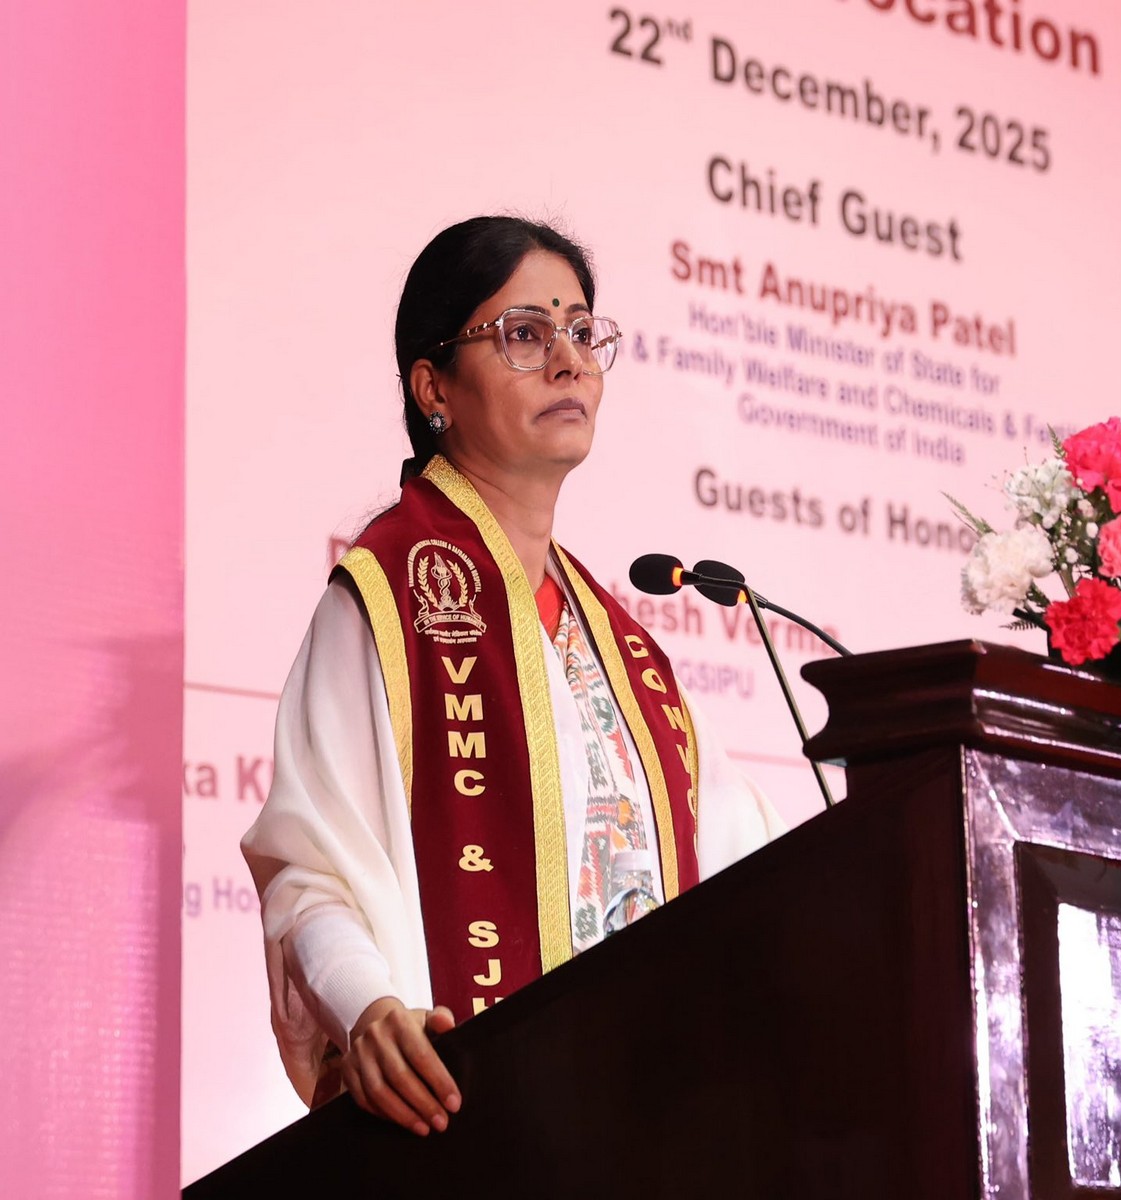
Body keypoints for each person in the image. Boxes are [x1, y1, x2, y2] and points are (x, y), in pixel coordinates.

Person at [241, 216, 782, 1139]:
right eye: (525, 333)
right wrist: (367, 1011)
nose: (569, 361)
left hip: (643, 1129)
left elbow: (752, 879)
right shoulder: (385, 597)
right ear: (433, 386)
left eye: (582, 331)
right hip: (465, 1130)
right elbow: (309, 870)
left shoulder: (628, 654)